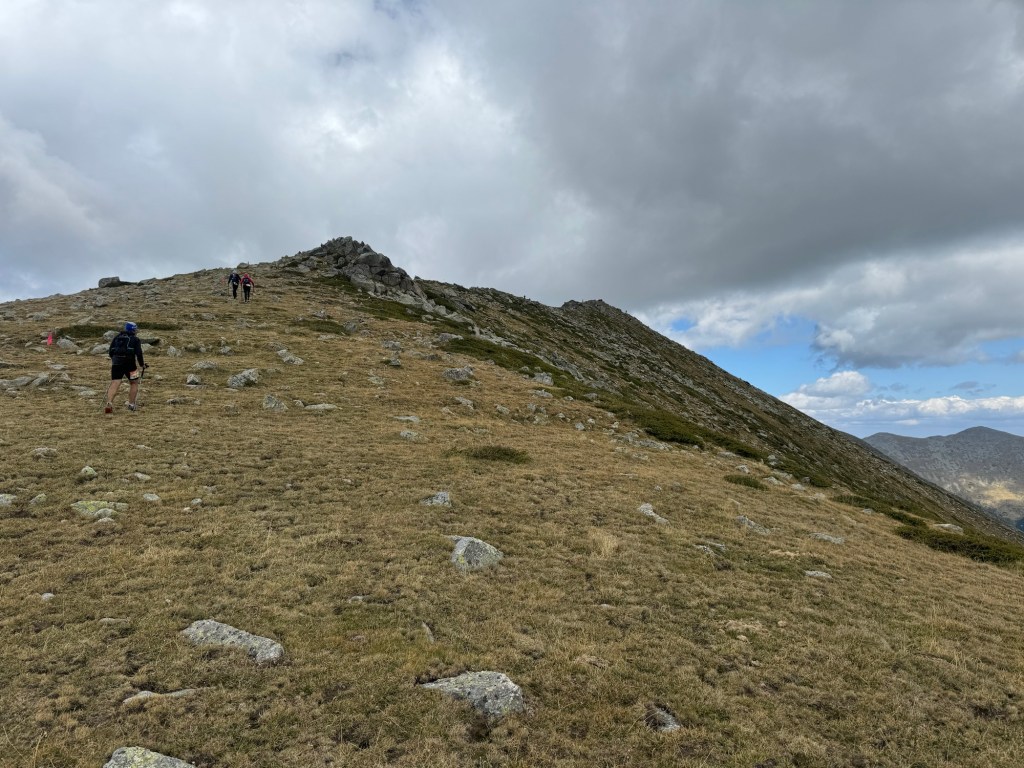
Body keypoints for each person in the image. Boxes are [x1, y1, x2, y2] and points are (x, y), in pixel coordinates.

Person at [104, 322, 146, 413]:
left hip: (116, 363)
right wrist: (142, 364)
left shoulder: (117, 337)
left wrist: (114, 360)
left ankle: (109, 403)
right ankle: (131, 404)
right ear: (133, 330)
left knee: (115, 382)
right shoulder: (135, 339)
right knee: (134, 382)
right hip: (131, 364)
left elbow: (110, 351)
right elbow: (139, 353)